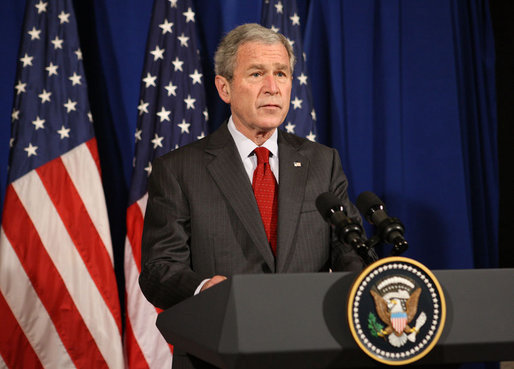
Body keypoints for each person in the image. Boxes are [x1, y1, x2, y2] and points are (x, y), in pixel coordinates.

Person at [139, 23, 365, 369]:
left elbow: (350, 252)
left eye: (282, 74)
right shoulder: (179, 170)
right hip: (218, 353)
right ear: (224, 87)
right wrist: (203, 288)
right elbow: (158, 271)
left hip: (311, 351)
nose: (272, 88)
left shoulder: (322, 163)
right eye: (257, 74)